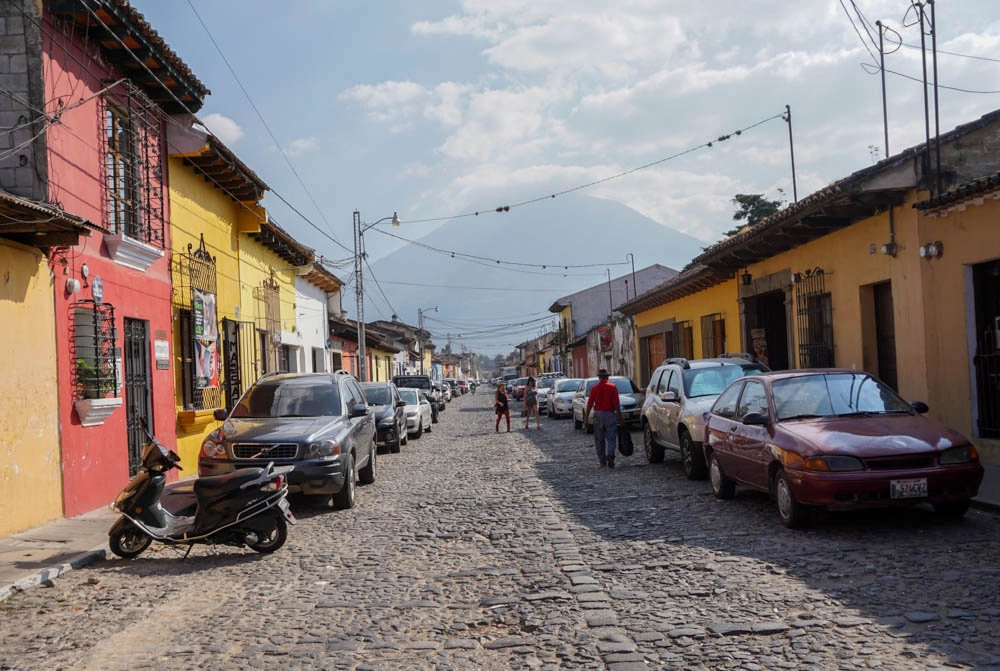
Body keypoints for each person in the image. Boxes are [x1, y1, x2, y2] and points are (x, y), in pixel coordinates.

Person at [582, 368, 623, 468]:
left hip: (598, 415)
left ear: (599, 377)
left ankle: (602, 462)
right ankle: (611, 455)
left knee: (599, 439)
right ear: (607, 377)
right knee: (612, 438)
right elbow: (616, 404)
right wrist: (620, 418)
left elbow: (589, 405)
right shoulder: (613, 387)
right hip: (610, 414)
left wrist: (586, 419)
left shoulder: (594, 388)